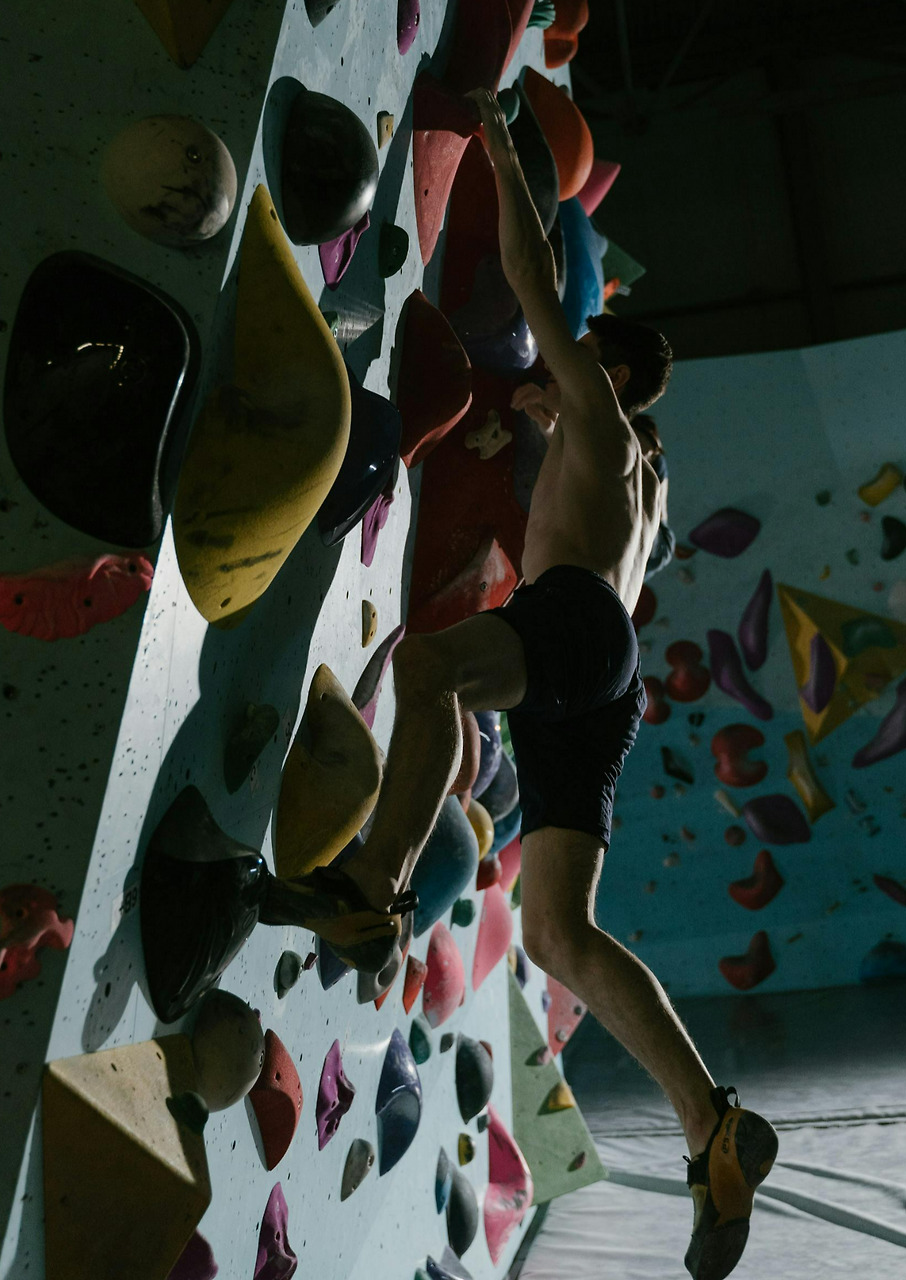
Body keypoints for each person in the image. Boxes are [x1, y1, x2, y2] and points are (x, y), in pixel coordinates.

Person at [279, 89, 777, 1279]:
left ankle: (376, 887)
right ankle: (708, 1119)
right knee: (556, 930)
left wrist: (505, 154)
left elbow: (530, 282)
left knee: (431, 663)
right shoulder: (632, 465)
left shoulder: (599, 409)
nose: (547, 371)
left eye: (572, 359)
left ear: (606, 366)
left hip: (577, 626)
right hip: (606, 681)